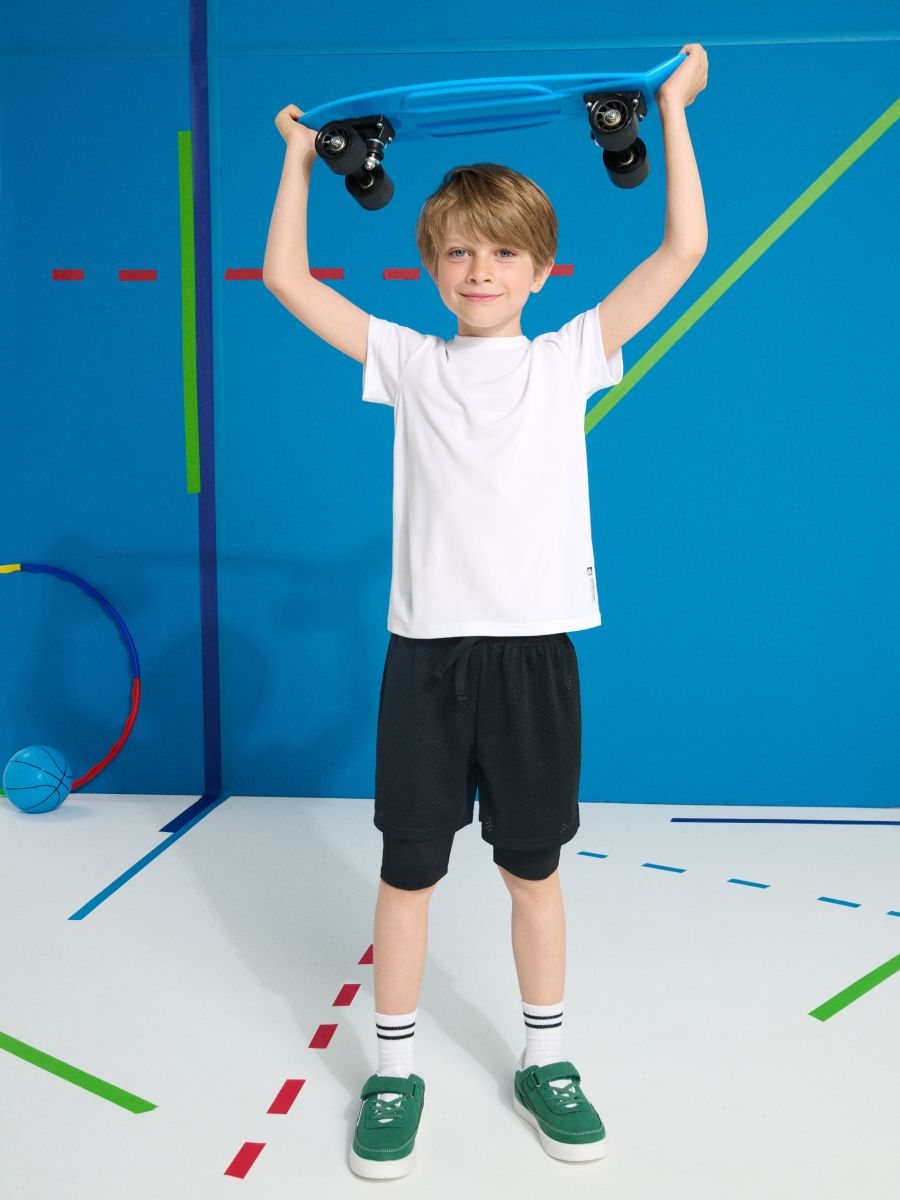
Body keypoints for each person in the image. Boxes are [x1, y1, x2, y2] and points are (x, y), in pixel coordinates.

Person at [263, 43, 708, 1179]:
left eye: (504, 252)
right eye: (458, 250)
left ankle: (546, 1059)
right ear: (429, 264)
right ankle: (394, 1070)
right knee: (407, 875)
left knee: (531, 873)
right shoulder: (410, 362)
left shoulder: (568, 359)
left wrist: (671, 112)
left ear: (541, 269)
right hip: (426, 661)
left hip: (532, 660)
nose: (479, 269)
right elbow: (289, 281)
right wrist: (301, 161)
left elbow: (682, 251)